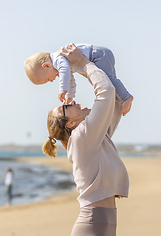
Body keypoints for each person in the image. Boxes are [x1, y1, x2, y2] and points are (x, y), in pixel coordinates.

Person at [42, 44, 129, 236]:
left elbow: (111, 102)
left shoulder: (93, 137)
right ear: (71, 124)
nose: (69, 101)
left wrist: (90, 68)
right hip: (92, 222)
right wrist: (83, 62)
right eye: (65, 108)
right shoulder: (82, 137)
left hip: (103, 221)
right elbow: (105, 92)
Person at [24, 43, 133, 116]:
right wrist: (70, 96)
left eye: (48, 79)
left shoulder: (58, 58)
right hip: (99, 56)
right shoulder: (62, 65)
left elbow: (65, 72)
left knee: (109, 80)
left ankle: (126, 97)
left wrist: (62, 89)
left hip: (98, 56)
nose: (52, 80)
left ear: (46, 65)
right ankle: (119, 99)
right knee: (108, 82)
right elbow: (71, 80)